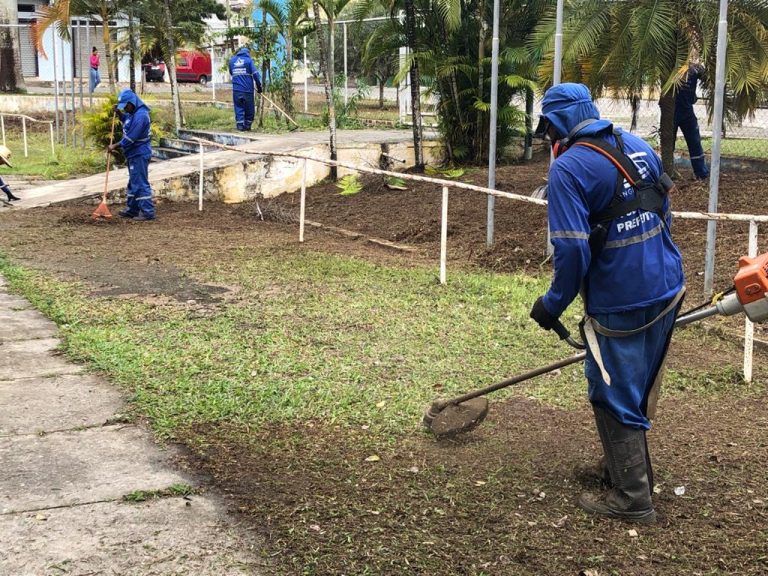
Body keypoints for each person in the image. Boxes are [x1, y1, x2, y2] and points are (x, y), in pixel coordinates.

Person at [529, 83, 685, 523]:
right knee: (639, 381)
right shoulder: (637, 145)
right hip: (669, 285)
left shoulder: (568, 169)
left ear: (555, 125)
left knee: (612, 389)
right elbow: (662, 211)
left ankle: (633, 499)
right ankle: (622, 469)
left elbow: (573, 250)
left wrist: (552, 304)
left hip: (621, 299)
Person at [107, 89, 156, 221]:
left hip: (139, 153)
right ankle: (132, 209)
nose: (125, 109)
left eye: (125, 106)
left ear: (132, 102)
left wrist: (115, 146)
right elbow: (128, 122)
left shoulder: (141, 116)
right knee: (133, 182)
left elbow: (131, 137)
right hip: (133, 153)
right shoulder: (133, 112)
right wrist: (119, 114)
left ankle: (147, 212)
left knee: (140, 182)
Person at [675, 63, 709, 180]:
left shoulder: (694, 70)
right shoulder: (670, 66)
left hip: (687, 111)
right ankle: (665, 171)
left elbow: (707, 77)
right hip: (670, 112)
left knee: (694, 141)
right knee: (668, 142)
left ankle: (701, 173)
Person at [228, 46, 263, 131]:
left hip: (236, 90)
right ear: (248, 53)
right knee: (249, 109)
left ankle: (240, 127)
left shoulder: (232, 61)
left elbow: (231, 73)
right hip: (248, 90)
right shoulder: (249, 61)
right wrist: (259, 87)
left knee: (238, 107)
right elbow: (255, 74)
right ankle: (247, 126)